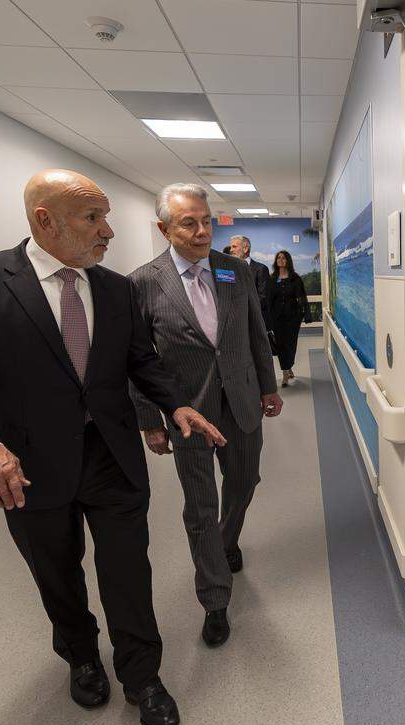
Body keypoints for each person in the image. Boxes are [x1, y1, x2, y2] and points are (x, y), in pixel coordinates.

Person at [0, 169, 227, 725]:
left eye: (106, 216)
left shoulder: (114, 288)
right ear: (45, 220)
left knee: (127, 571)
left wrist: (175, 403)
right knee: (56, 572)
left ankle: (143, 676)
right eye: (93, 218)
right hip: (30, 466)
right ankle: (83, 657)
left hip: (111, 455)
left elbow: (141, 360)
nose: (107, 231)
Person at [130, 184, 281, 648]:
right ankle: (215, 600)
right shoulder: (142, 282)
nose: (200, 232)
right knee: (199, 505)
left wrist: (269, 385)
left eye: (206, 221)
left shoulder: (235, 270)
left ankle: (226, 539)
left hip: (242, 402)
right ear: (163, 229)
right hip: (188, 414)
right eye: (187, 224)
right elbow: (137, 359)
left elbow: (255, 332)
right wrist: (150, 420)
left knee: (244, 483)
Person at [267, 249, 312, 387]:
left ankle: (289, 366)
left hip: (293, 318)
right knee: (280, 345)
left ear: (288, 261)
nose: (281, 260)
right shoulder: (272, 279)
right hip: (277, 319)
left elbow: (302, 297)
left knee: (290, 345)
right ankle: (285, 373)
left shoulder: (295, 278)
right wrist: (267, 319)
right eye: (278, 258)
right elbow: (269, 300)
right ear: (276, 261)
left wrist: (306, 314)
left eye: (284, 258)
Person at [224, 235, 270, 328]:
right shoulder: (227, 270)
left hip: (254, 322)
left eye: (234, 247)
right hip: (233, 323)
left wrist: (241, 310)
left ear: (245, 249)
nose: (231, 250)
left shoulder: (260, 269)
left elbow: (263, 297)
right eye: (231, 247)